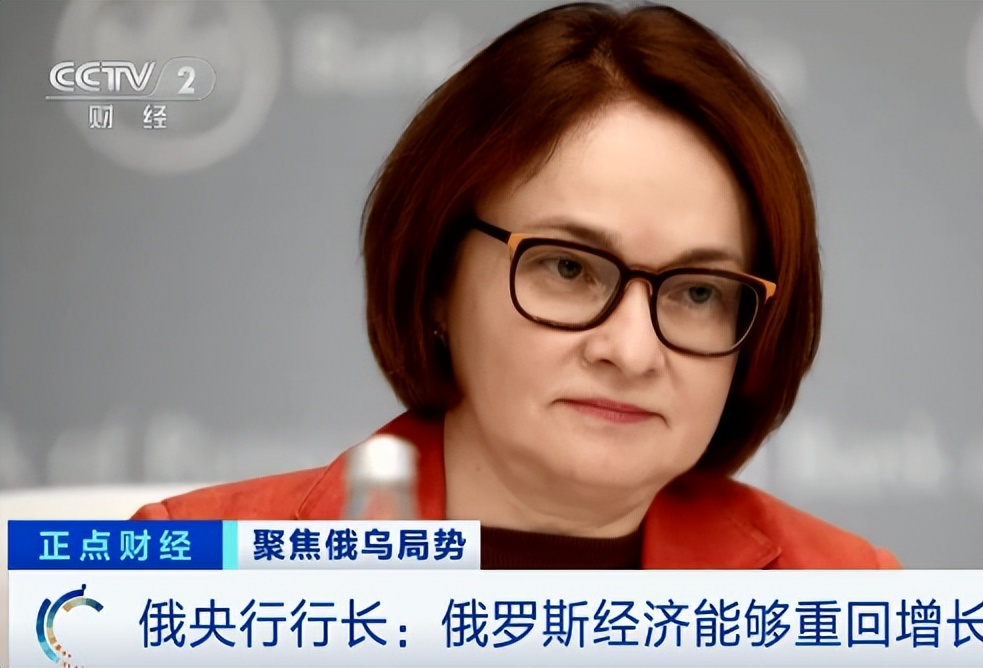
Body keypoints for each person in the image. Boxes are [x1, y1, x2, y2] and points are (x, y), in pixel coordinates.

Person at [132, 2, 898, 569]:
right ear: (437, 277)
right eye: (568, 268)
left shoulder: (844, 591)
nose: (632, 351)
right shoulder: (188, 569)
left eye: (699, 293)